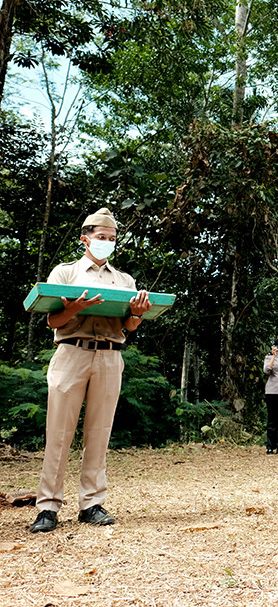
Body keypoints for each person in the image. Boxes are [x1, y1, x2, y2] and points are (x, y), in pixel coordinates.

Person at [29, 208, 152, 533]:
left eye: (111, 239)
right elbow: (52, 321)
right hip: (71, 353)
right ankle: (48, 508)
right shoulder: (66, 272)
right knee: (58, 433)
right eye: (101, 238)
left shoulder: (124, 280)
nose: (106, 243)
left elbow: (129, 324)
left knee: (99, 433)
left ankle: (92, 504)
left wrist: (137, 314)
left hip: (111, 357)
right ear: (85, 239)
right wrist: (71, 309)